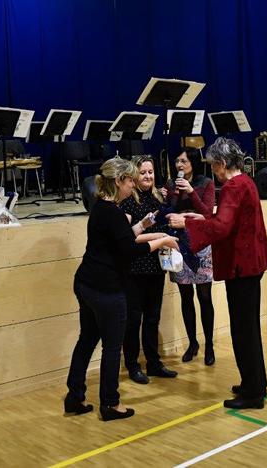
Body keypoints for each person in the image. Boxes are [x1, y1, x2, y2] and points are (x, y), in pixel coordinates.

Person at [65, 157, 179, 421]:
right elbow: (129, 250)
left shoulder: (101, 208)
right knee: (112, 347)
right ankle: (110, 403)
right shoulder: (113, 212)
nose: (133, 184)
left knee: (87, 340)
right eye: (130, 180)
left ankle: (75, 396)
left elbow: (122, 237)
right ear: (118, 181)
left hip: (86, 282)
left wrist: (144, 227)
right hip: (106, 288)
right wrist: (162, 240)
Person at [167, 137, 267, 410]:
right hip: (251, 264)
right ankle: (255, 383)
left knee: (243, 330)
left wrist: (187, 224)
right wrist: (201, 218)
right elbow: (225, 221)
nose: (213, 171)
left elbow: (223, 228)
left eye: (214, 165)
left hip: (241, 266)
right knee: (249, 328)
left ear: (223, 163)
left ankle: (253, 393)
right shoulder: (246, 181)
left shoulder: (233, 187)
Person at [120, 155, 178, 384]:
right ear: (134, 175)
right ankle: (133, 365)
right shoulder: (127, 201)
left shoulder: (157, 198)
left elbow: (163, 224)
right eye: (143, 172)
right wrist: (160, 237)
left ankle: (153, 363)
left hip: (155, 265)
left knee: (153, 317)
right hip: (135, 267)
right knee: (134, 319)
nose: (147, 176)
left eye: (150, 172)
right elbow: (128, 237)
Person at [163, 147, 217, 366]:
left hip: (201, 244)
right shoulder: (171, 184)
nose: (179, 165)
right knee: (185, 297)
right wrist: (173, 193)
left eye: (183, 161)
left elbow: (207, 213)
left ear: (193, 162)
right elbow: (168, 211)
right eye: (177, 161)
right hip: (179, 244)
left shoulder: (206, 183)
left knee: (204, 297)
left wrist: (191, 191)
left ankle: (209, 345)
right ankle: (192, 343)